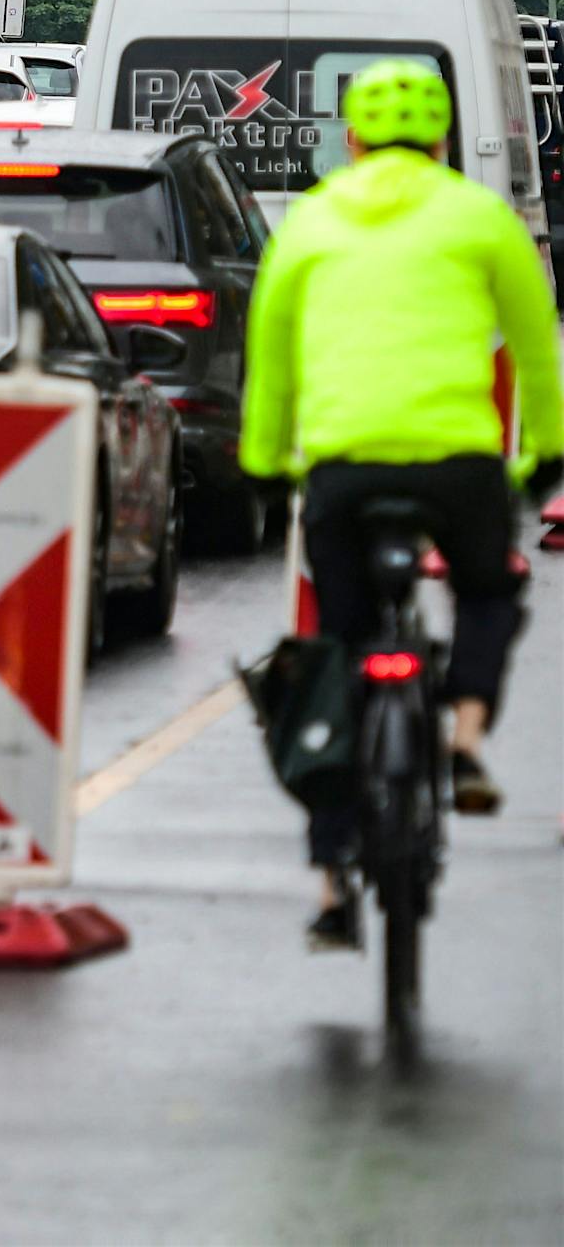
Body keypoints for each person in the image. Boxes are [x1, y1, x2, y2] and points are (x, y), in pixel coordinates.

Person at [239, 58, 563, 950]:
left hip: (341, 470)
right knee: (489, 591)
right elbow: (537, 348)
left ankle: (334, 877)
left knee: (339, 651)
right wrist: (543, 458)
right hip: (457, 463)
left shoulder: (309, 222)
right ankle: (460, 734)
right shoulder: (480, 216)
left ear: (351, 137)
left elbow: (271, 361)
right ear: (444, 138)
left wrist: (267, 465)